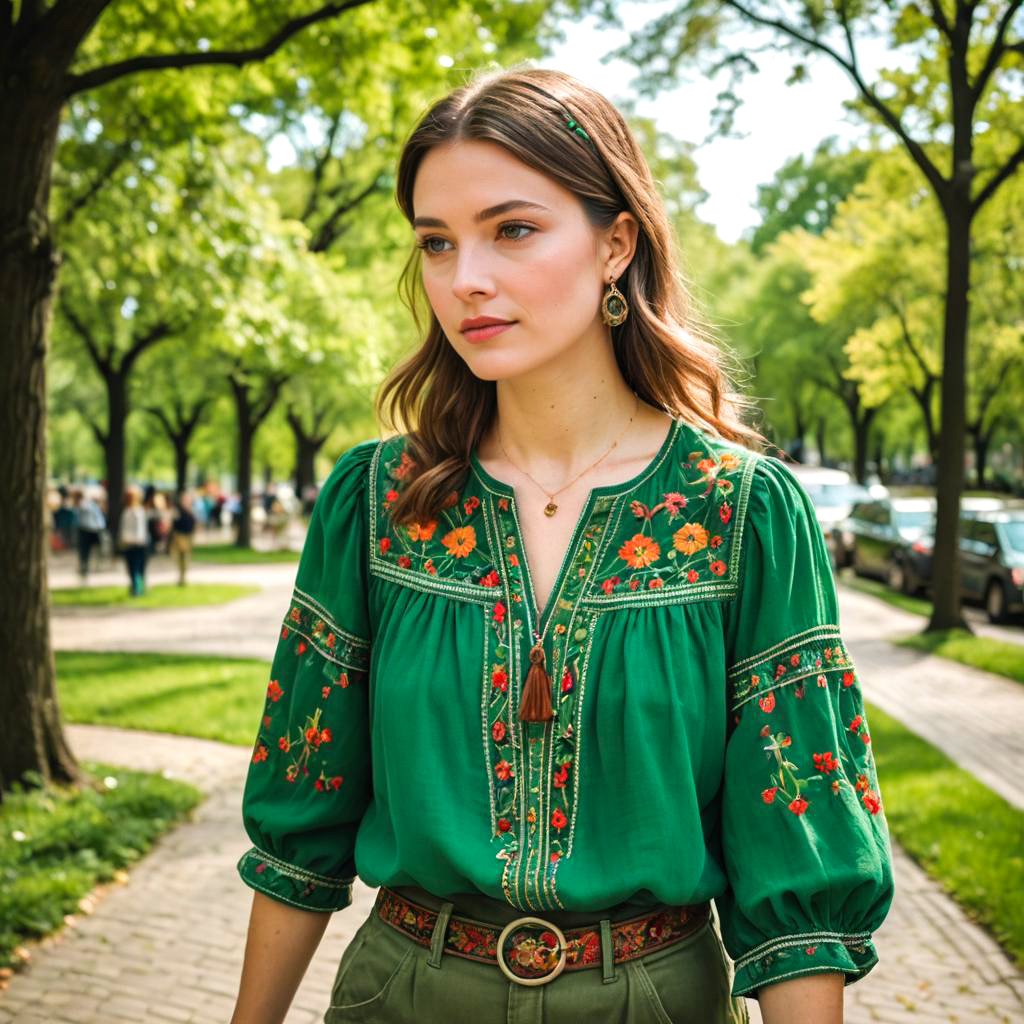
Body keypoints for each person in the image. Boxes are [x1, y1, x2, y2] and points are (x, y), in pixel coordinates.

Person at [229, 66, 894, 1024]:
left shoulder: (742, 513)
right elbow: (301, 822)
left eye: (513, 229)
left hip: (655, 1000)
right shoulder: (375, 502)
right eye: (435, 243)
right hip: (400, 995)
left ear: (616, 242)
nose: (466, 280)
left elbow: (800, 867)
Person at [119, 486, 149, 597]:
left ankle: (137, 589)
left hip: (135, 543)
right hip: (133, 543)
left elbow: (139, 529)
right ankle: (138, 588)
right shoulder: (131, 511)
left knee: (135, 568)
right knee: (135, 568)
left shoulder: (135, 511)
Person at [73, 487, 106, 582]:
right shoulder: (90, 504)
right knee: (88, 551)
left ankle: (86, 569)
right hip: (92, 529)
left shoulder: (84, 504)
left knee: (85, 551)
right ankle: (86, 569)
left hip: (88, 530)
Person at [169, 493, 197, 586]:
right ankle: (181, 577)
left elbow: (194, 523)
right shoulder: (178, 511)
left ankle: (183, 577)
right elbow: (174, 523)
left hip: (188, 536)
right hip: (180, 535)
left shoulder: (191, 510)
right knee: (180, 556)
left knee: (186, 557)